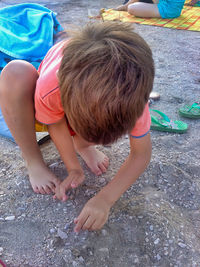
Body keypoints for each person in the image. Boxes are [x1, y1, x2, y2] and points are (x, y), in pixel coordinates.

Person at [0, 21, 154, 232]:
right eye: (90, 135)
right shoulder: (50, 86)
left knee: (94, 126)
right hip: (50, 107)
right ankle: (33, 160)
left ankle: (83, 145)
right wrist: (72, 166)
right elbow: (54, 121)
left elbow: (141, 154)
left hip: (72, 105)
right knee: (15, 73)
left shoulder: (135, 99)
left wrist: (105, 199)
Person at [116, 0, 186, 19]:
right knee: (132, 5)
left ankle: (125, 6)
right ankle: (126, 5)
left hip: (168, 9)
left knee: (131, 8)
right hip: (170, 7)